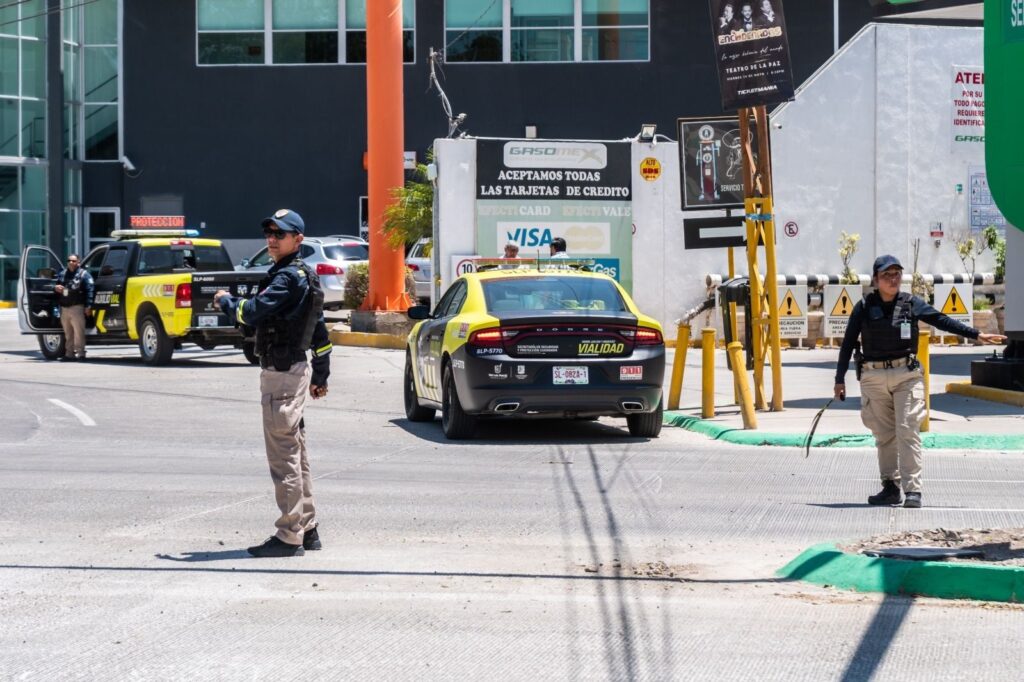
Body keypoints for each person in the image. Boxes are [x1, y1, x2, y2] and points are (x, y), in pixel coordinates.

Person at [834, 255, 1005, 509]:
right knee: (884, 434)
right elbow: (848, 343)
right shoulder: (863, 307)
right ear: (876, 280)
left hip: (906, 374)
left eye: (896, 274)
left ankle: (913, 489)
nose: (893, 280)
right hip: (873, 376)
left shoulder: (911, 304)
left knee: (907, 430)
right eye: (886, 275)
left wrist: (976, 334)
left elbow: (941, 320)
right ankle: (890, 487)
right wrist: (839, 380)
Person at [214, 209, 332, 558]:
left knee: (284, 459)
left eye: (279, 234)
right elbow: (321, 334)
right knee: (297, 454)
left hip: (281, 376)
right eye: (268, 233)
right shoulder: (305, 277)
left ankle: (289, 535)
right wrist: (320, 376)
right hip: (294, 372)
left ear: (298, 239)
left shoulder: (285, 279)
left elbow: (251, 312)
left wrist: (226, 302)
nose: (271, 239)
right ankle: (307, 528)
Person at [53, 254, 94, 361]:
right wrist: (56, 287)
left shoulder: (84, 275)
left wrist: (88, 306)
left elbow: (90, 290)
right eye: (69, 260)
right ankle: (69, 354)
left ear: (78, 262)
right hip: (64, 308)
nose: (71, 262)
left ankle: (81, 354)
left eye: (74, 261)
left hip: (77, 307)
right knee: (68, 333)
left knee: (78, 332)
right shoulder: (62, 274)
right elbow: (56, 286)